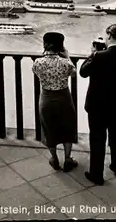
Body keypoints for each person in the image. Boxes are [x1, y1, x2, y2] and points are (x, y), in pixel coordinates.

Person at [79, 24, 116, 185]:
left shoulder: (98, 56)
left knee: (97, 138)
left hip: (98, 102)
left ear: (109, 36)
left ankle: (96, 174)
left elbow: (83, 72)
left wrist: (93, 53)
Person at [32, 32, 78, 172]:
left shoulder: (38, 63)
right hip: (64, 97)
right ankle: (68, 158)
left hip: (46, 98)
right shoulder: (65, 63)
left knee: (48, 128)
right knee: (67, 128)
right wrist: (67, 56)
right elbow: (74, 73)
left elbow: (36, 72)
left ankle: (54, 158)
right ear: (61, 45)